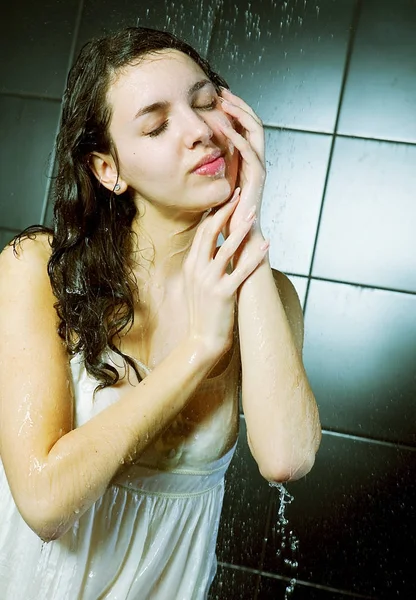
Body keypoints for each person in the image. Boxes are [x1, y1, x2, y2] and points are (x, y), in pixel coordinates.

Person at [0, 26, 321, 600]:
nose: (199, 132)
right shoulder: (38, 271)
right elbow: (45, 504)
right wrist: (199, 348)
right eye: (156, 125)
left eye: (205, 104)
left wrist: (244, 224)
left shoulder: (267, 294)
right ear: (107, 169)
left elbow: (288, 456)